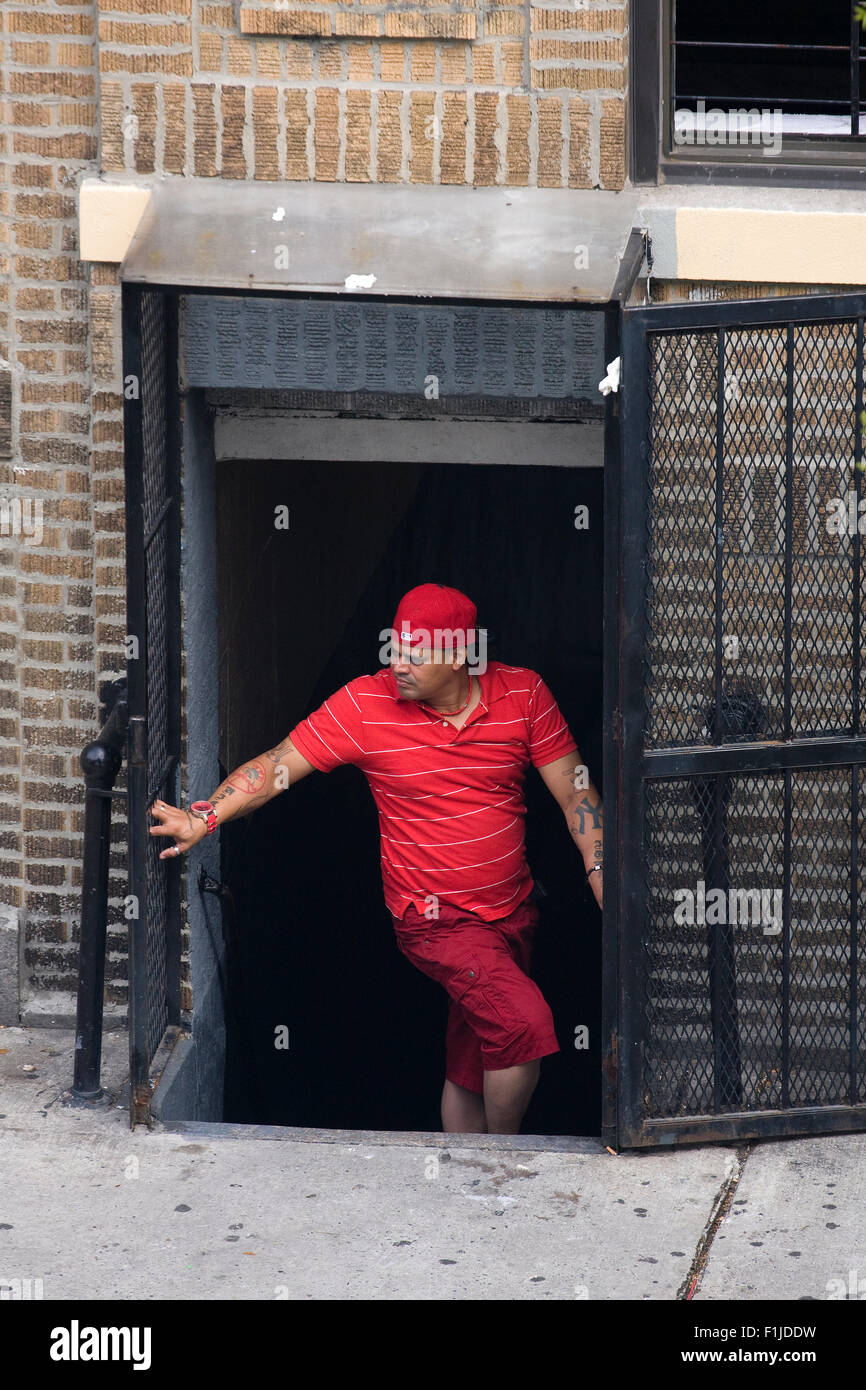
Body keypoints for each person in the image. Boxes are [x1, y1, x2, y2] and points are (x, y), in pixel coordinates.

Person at [149, 583, 604, 1135]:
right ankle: (503, 1158)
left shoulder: (524, 694)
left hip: (512, 911)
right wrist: (205, 816)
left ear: (459, 655)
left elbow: (577, 794)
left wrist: (600, 870)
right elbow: (276, 766)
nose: (399, 663)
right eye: (395, 647)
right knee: (523, 1026)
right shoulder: (366, 704)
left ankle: (462, 1172)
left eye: (416, 653)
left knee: (473, 1053)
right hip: (434, 921)